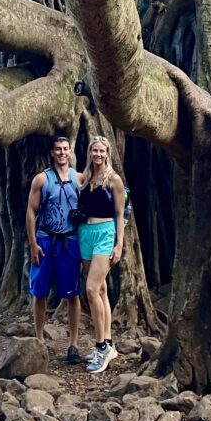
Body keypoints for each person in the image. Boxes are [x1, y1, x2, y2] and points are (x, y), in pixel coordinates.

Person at [26, 134, 84, 364]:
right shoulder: (42, 179)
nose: (61, 152)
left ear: (70, 152)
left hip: (70, 241)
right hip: (45, 241)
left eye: (65, 149)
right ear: (52, 153)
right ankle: (39, 339)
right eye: (58, 149)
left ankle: (74, 344)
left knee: (72, 294)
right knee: (39, 292)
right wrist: (33, 244)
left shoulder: (79, 178)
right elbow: (31, 211)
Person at [77, 134, 125, 374]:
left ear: (107, 154)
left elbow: (121, 214)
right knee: (102, 289)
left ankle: (100, 347)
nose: (97, 155)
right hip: (85, 232)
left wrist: (119, 245)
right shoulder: (84, 179)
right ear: (90, 153)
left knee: (91, 289)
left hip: (105, 233)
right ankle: (108, 342)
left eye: (101, 151)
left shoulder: (113, 180)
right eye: (94, 151)